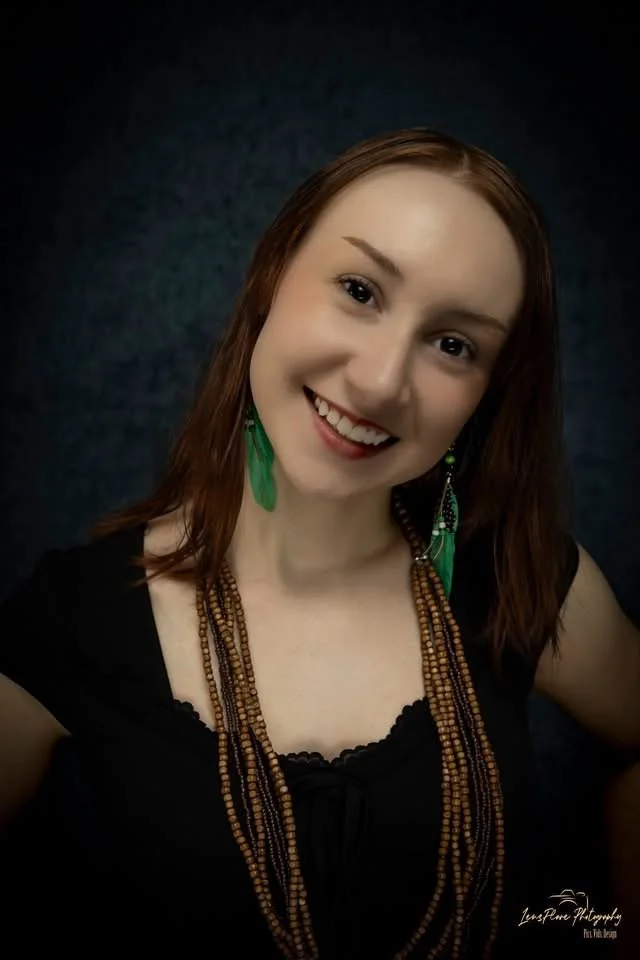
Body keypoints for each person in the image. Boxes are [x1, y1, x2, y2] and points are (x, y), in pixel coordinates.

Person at [0, 128, 638, 959]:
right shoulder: (74, 617)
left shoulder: (524, 580)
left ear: (486, 395)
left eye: (454, 345)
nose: (379, 381)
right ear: (271, 276)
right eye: (360, 289)